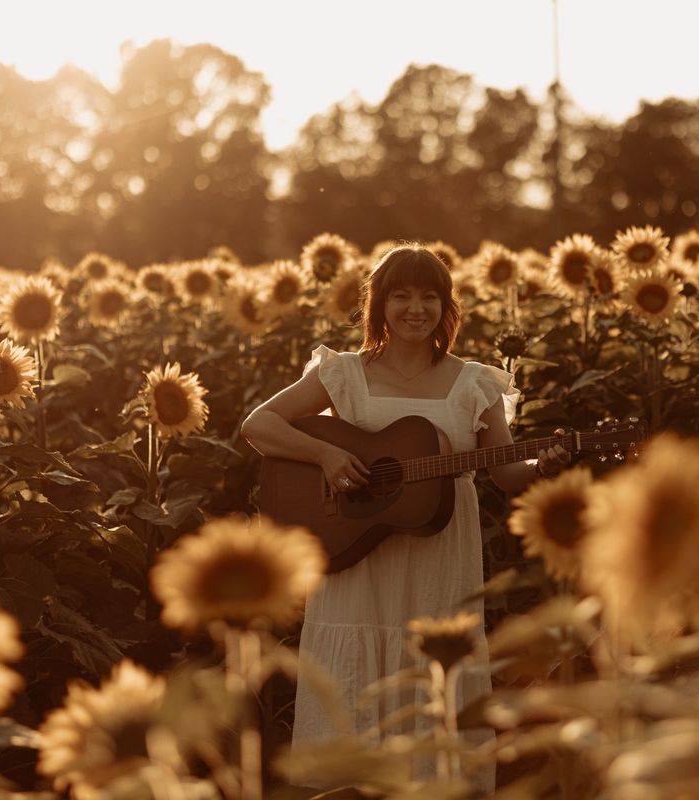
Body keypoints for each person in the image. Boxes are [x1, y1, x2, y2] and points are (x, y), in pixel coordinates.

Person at [240, 244, 570, 791]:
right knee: (352, 670)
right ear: (379, 304)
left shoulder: (475, 384)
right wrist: (324, 453)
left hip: (439, 557)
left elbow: (507, 474)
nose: (415, 308)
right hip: (353, 550)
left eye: (429, 297)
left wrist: (544, 464)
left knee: (435, 668)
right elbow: (260, 425)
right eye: (401, 296)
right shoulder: (342, 374)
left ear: (446, 308)